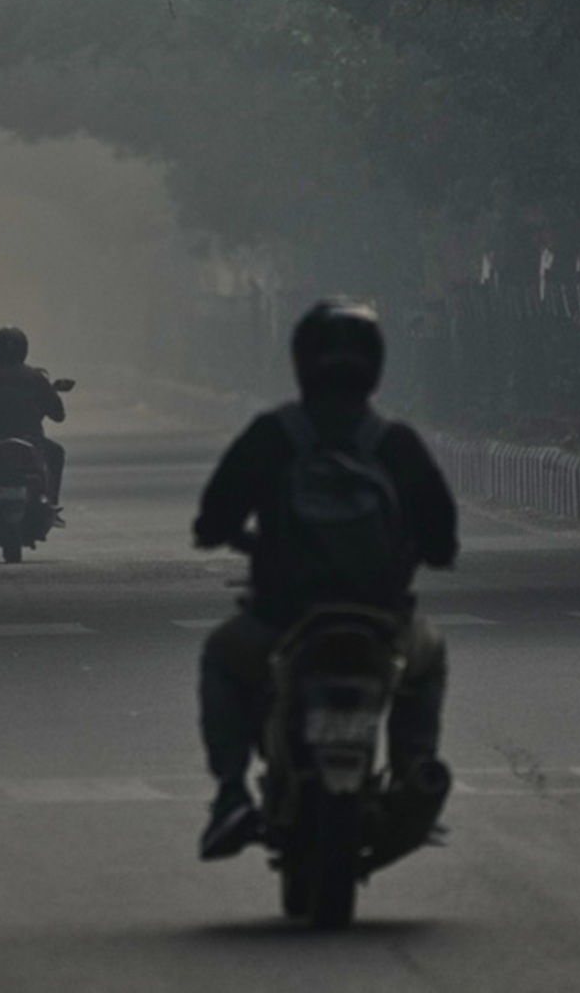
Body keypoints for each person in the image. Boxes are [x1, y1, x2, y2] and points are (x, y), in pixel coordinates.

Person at [191, 299, 458, 861]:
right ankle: (412, 776)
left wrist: (237, 539)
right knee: (427, 660)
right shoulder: (396, 444)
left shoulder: (272, 436)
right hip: (381, 623)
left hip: (285, 621)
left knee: (222, 658)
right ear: (376, 367)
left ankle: (232, 790)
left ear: (300, 362)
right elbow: (442, 541)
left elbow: (213, 519)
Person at [0, 326, 66, 515]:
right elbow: (58, 415)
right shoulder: (36, 379)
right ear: (24, 350)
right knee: (56, 453)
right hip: (32, 441)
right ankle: (52, 501)